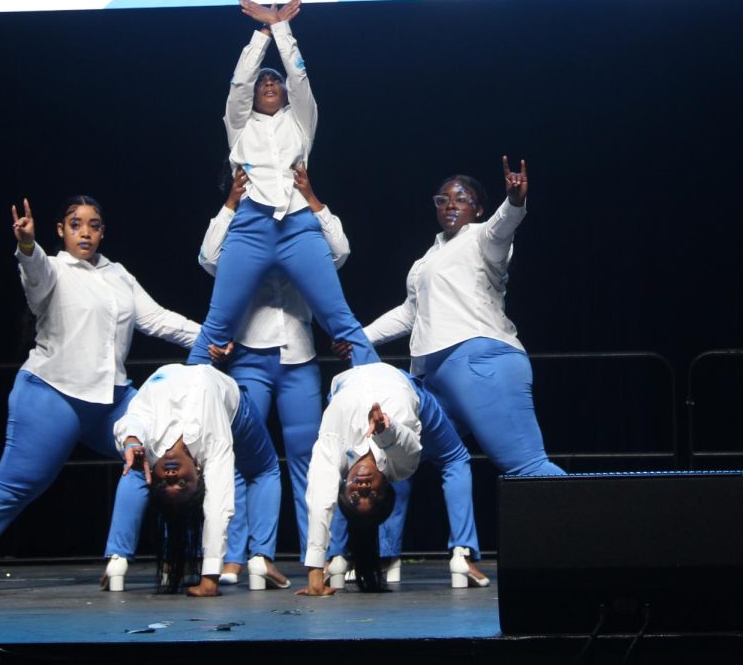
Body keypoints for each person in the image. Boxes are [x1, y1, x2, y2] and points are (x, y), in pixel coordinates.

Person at [0, 196, 201, 592]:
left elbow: (155, 319)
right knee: (19, 484)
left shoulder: (118, 275)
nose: (85, 232)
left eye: (93, 225)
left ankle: (117, 561)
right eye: (75, 224)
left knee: (153, 457)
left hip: (112, 400)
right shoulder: (51, 269)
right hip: (52, 396)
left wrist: (210, 337)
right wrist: (26, 246)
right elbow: (34, 274)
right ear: (61, 230)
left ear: (103, 231)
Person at [185, 0, 378, 371]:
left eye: (275, 80)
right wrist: (263, 32)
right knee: (216, 326)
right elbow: (240, 82)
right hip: (250, 228)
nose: (269, 83)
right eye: (264, 82)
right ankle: (184, 412)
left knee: (341, 320)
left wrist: (282, 29)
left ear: (286, 93)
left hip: (299, 226)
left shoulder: (301, 123)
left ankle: (380, 397)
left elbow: (300, 77)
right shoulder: (239, 127)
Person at [349, 158, 565, 479]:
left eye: (461, 199)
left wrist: (515, 200)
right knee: (389, 458)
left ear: (477, 210)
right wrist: (359, 336)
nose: (450, 205)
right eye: (443, 199)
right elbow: (411, 313)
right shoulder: (428, 258)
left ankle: (600, 527)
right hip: (435, 379)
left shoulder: (481, 237)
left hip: (479, 364)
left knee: (527, 467)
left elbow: (502, 226)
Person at [198, 165, 344, 585]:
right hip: (249, 356)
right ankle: (245, 557)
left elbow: (341, 252)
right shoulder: (241, 236)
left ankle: (322, 555)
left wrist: (311, 199)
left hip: (299, 357)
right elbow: (207, 259)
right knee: (243, 459)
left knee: (310, 461)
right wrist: (231, 204)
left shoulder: (303, 233)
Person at [298, 362, 488, 596]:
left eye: (355, 496)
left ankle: (336, 558)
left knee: (321, 486)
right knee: (455, 457)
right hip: (405, 392)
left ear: (345, 486)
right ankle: (463, 553)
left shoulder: (334, 441)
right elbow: (405, 444)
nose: (364, 487)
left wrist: (315, 571)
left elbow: (319, 497)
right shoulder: (403, 468)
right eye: (373, 494)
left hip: (344, 384)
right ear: (388, 486)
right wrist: (385, 430)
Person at [111, 363, 286, 595]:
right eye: (182, 484)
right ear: (198, 472)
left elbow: (131, 420)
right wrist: (210, 577)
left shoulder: (148, 450)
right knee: (265, 469)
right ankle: (261, 559)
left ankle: (125, 560)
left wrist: (131, 441)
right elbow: (218, 505)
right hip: (234, 409)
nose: (172, 476)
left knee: (135, 466)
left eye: (164, 483)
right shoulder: (212, 440)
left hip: (179, 375)